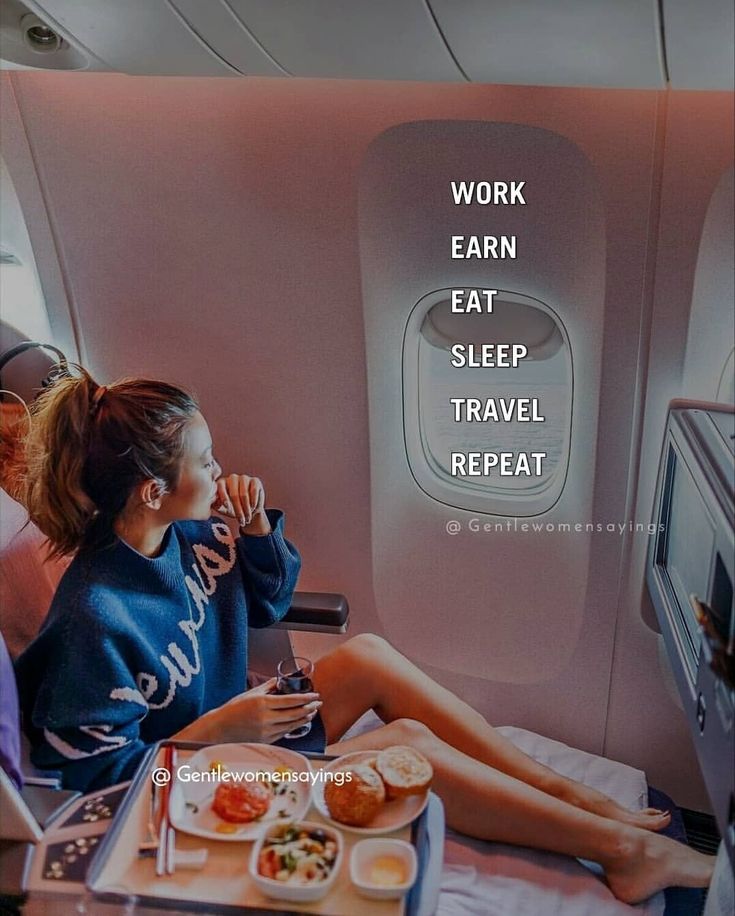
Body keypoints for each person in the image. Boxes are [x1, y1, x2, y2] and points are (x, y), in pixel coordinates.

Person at [15, 368, 712, 905]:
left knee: (367, 658)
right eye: (204, 461)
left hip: (237, 738)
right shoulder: (95, 617)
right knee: (405, 751)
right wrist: (221, 729)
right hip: (187, 787)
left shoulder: (186, 533)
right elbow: (93, 784)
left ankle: (569, 795)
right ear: (149, 490)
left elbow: (271, 601)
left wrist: (256, 531)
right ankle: (621, 853)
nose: (219, 470)